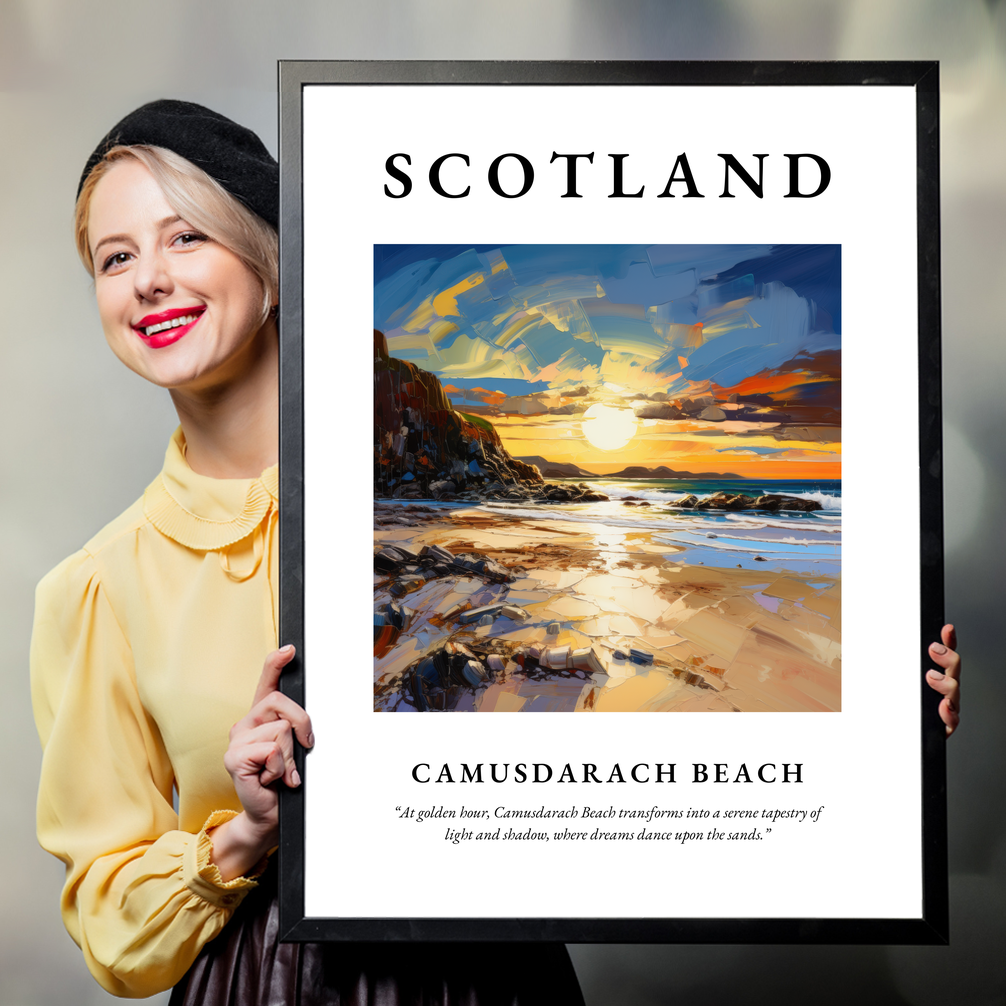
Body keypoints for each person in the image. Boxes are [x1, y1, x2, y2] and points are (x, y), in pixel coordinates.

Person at [30, 100, 585, 1004]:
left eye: (185, 239)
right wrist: (245, 832)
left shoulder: (437, 521)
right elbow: (110, 923)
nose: (148, 281)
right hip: (264, 981)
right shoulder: (97, 587)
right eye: (116, 257)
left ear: (273, 265)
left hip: (493, 972)